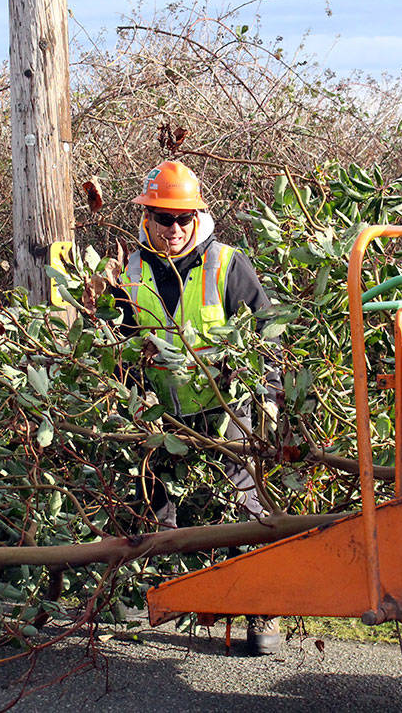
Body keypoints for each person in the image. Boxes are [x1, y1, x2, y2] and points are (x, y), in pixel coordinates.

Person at [116, 159, 282, 655]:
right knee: (150, 502)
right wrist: (127, 397)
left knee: (245, 506)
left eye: (183, 218)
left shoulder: (227, 264)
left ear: (197, 216)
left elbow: (267, 333)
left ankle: (260, 608)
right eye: (164, 218)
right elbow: (118, 344)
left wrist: (268, 397)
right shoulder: (129, 271)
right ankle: (145, 594)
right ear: (147, 217)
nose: (174, 229)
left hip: (224, 410)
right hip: (160, 412)